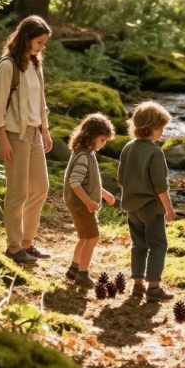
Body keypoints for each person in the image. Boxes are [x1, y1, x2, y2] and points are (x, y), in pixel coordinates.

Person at [0, 14, 53, 265]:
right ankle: (14, 247)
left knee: (40, 187)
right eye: (39, 42)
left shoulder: (36, 64)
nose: (41, 47)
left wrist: (45, 130)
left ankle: (27, 241)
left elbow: (41, 101)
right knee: (18, 192)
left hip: (35, 134)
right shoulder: (7, 66)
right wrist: (3, 139)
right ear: (25, 38)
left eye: (44, 43)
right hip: (14, 135)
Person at [117, 100, 176, 301]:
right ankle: (154, 287)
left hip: (131, 207)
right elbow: (160, 186)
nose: (162, 132)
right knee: (158, 245)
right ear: (152, 128)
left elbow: (121, 178)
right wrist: (169, 209)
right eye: (161, 128)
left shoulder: (127, 148)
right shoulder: (155, 152)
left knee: (139, 244)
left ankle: (137, 284)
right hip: (151, 208)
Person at [63, 113, 116, 288]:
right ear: (91, 136)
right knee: (93, 237)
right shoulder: (83, 157)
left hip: (80, 204)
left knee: (84, 237)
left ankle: (74, 268)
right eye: (102, 139)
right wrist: (87, 202)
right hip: (81, 205)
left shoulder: (86, 154)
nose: (104, 144)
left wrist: (103, 193)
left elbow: (88, 182)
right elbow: (75, 182)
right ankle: (83, 274)